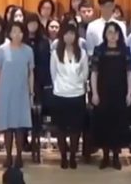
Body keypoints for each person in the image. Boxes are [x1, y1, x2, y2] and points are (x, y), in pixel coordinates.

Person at [90, 22, 131, 170]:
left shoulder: (125, 50)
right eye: (109, 32)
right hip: (103, 93)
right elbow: (94, 73)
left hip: (120, 93)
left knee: (118, 124)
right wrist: (94, 93)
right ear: (105, 34)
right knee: (104, 124)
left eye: (115, 33)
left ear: (119, 34)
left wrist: (129, 93)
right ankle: (105, 156)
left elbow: (129, 73)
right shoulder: (99, 50)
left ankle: (116, 157)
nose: (112, 36)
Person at [0, 21, 35, 168]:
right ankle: (8, 156)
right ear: (9, 33)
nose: (17, 34)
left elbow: (31, 73)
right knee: (8, 126)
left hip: (21, 92)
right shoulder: (2, 51)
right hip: (5, 92)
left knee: (20, 126)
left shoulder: (28, 51)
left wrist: (31, 93)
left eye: (20, 31)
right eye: (14, 31)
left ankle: (19, 157)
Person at [49, 23, 88, 169]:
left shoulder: (82, 53)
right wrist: (60, 86)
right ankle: (63, 156)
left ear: (76, 36)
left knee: (76, 129)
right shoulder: (55, 54)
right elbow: (53, 74)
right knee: (61, 128)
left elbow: (85, 75)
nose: (69, 37)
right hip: (60, 94)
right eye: (66, 34)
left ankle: (73, 156)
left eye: (72, 34)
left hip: (77, 94)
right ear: (62, 36)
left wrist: (78, 84)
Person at [24, 13, 52, 112]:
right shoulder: (22, 41)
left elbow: (46, 60)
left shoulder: (44, 41)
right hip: (25, 76)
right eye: (30, 23)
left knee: (39, 105)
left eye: (35, 23)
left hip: (40, 77)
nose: (32, 25)